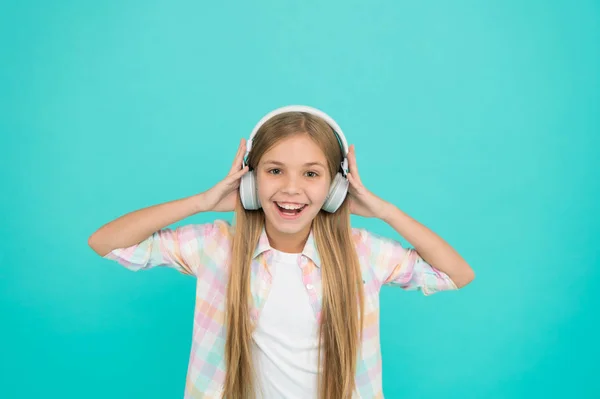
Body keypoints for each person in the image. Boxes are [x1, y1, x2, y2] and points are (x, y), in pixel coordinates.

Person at [88, 105, 475, 399]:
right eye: (274, 171)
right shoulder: (217, 247)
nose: (291, 188)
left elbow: (456, 274)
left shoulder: (362, 254)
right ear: (250, 182)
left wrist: (384, 211)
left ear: (336, 188)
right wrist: (202, 202)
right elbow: (106, 242)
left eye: (311, 174)